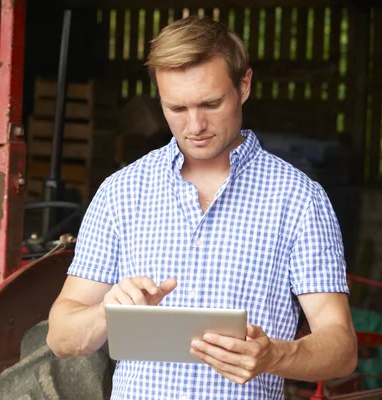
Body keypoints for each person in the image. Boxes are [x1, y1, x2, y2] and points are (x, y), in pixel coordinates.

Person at [46, 15, 357, 400]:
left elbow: (342, 349)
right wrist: (107, 311)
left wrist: (276, 354)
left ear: (244, 86)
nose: (194, 125)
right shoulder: (121, 192)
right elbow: (60, 337)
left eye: (211, 103)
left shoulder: (298, 198)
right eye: (176, 108)